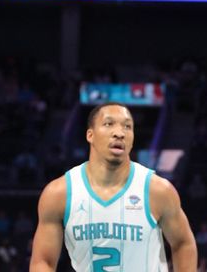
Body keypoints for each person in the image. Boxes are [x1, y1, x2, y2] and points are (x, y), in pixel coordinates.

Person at [30, 102, 197, 271]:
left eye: (127, 127)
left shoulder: (158, 190)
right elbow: (43, 261)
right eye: (109, 124)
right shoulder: (59, 193)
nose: (119, 133)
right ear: (90, 135)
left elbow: (183, 244)